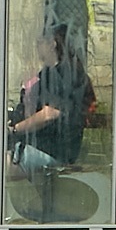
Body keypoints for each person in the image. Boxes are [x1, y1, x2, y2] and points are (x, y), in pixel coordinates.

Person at [9, 23, 97, 177]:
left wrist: (15, 129)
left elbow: (50, 113)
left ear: (52, 44)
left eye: (39, 42)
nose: (36, 47)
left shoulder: (67, 73)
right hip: (36, 145)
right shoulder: (46, 74)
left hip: (56, 151)